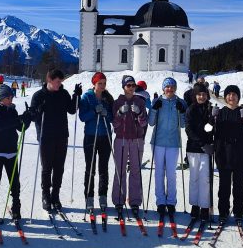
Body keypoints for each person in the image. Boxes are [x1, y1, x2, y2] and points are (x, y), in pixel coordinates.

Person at [30, 69, 81, 211]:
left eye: (61, 81)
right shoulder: (39, 95)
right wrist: (38, 110)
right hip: (45, 136)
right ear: (49, 80)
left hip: (61, 135)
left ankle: (55, 195)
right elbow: (33, 116)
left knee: (59, 167)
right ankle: (45, 195)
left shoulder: (63, 94)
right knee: (47, 168)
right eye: (58, 81)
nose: (60, 84)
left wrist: (77, 96)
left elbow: (71, 110)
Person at [211, 85, 243, 223]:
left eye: (234, 95)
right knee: (224, 186)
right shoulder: (220, 113)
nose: (231, 97)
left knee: (238, 186)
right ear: (225, 97)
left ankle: (238, 212)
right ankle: (223, 212)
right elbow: (209, 131)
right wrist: (211, 119)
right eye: (229, 94)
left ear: (238, 97)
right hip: (223, 155)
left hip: (240, 155)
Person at [0, 84, 31, 221]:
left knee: (15, 182)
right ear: (2, 98)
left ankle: (16, 207)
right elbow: (0, 125)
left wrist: (26, 118)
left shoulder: (12, 111)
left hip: (11, 151)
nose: (11, 99)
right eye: (9, 97)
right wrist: (17, 119)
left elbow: (20, 128)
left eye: (11, 96)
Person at [149, 77, 187, 220]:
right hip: (158, 141)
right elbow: (151, 123)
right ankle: (160, 202)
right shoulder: (157, 101)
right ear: (163, 88)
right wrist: (154, 108)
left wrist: (182, 111)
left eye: (172, 86)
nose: (169, 89)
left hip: (173, 142)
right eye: (167, 87)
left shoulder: (181, 102)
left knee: (171, 173)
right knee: (159, 172)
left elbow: (183, 125)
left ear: (175, 88)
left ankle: (171, 202)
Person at [111, 75, 148, 219]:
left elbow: (144, 123)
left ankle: (135, 201)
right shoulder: (117, 102)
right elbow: (114, 124)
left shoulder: (140, 101)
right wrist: (120, 113)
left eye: (133, 85)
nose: (131, 88)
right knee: (119, 170)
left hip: (136, 140)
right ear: (123, 87)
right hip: (121, 139)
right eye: (128, 85)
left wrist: (139, 113)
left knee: (135, 170)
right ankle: (119, 200)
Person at [78, 72, 114, 212]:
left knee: (103, 168)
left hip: (105, 135)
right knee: (90, 167)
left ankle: (103, 195)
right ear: (94, 83)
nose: (102, 86)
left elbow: (112, 117)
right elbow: (82, 117)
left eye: (104, 83)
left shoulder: (107, 98)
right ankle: (89, 196)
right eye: (100, 83)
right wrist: (94, 111)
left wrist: (106, 114)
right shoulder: (87, 97)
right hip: (91, 136)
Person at [185, 83, 213, 222]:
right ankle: (195, 205)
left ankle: (205, 206)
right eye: (199, 94)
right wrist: (201, 143)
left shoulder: (210, 109)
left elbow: (211, 129)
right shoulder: (191, 109)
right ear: (195, 96)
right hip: (194, 148)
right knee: (194, 178)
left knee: (205, 179)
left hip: (206, 149)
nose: (201, 96)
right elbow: (189, 130)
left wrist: (213, 119)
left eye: (204, 94)